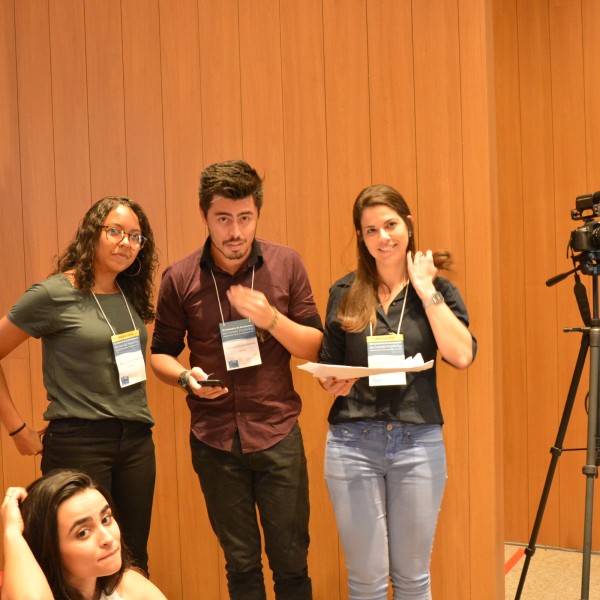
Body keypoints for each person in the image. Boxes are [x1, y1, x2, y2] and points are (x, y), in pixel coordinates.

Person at [150, 159, 323, 600]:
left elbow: (315, 345)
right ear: (203, 215)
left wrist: (272, 319)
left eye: (245, 218)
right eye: (223, 219)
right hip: (214, 440)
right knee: (241, 563)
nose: (235, 232)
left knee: (291, 561)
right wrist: (185, 378)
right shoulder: (180, 277)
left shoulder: (286, 264)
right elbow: (161, 354)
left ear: (257, 215)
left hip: (278, 433)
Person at [318, 184, 477, 600]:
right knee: (366, 581)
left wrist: (426, 290)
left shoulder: (437, 291)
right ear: (361, 237)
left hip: (417, 442)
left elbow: (461, 355)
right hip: (352, 443)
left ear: (408, 225)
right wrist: (332, 381)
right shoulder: (344, 292)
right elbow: (329, 365)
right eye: (371, 230)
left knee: (412, 579)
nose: (383, 237)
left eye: (390, 225)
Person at [0, 197, 158, 575]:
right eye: (115, 231)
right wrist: (18, 430)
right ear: (93, 233)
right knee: (79, 565)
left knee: (132, 560)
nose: (126, 243)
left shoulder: (127, 293)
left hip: (136, 442)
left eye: (136, 237)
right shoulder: (54, 293)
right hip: (79, 442)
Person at [1, 469, 167, 600]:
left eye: (106, 519)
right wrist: (13, 533)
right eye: (83, 533)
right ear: (49, 548)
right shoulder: (24, 590)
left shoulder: (127, 585)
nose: (108, 538)